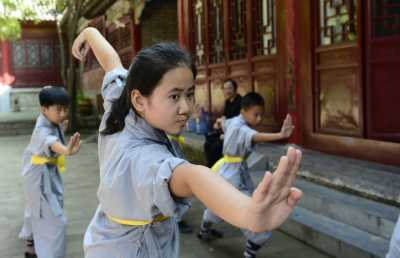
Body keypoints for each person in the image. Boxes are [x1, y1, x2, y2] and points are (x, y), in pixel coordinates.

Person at [72, 27, 302, 258]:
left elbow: (112, 63)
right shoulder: (141, 158)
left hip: (104, 237)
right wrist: (249, 214)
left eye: (190, 94)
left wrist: (90, 33)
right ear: (139, 100)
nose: (186, 108)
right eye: (174, 96)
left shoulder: (120, 102)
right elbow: (192, 177)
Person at [198, 92, 294, 258]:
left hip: (226, 170)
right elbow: (255, 136)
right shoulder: (241, 128)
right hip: (233, 175)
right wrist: (281, 135)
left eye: (261, 115)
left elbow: (224, 123)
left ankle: (204, 230)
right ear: (244, 110)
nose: (259, 119)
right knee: (250, 210)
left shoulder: (234, 121)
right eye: (256, 114)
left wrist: (222, 128)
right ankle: (252, 247)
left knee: (218, 202)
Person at [18, 86, 81, 258]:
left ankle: (33, 244)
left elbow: (52, 139)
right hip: (39, 177)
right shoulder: (43, 130)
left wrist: (61, 132)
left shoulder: (48, 120)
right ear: (43, 109)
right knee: (54, 220)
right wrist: (66, 150)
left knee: (35, 209)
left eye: (65, 109)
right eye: (58, 109)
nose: (63, 113)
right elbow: (50, 141)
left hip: (39, 170)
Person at [204, 79, 242, 167]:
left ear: (235, 89)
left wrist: (226, 133)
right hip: (227, 131)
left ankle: (217, 168)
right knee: (208, 141)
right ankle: (211, 167)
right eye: (225, 89)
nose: (227, 91)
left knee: (216, 146)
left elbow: (239, 123)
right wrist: (218, 123)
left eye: (229, 88)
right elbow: (225, 117)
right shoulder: (228, 102)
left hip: (236, 133)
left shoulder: (241, 102)